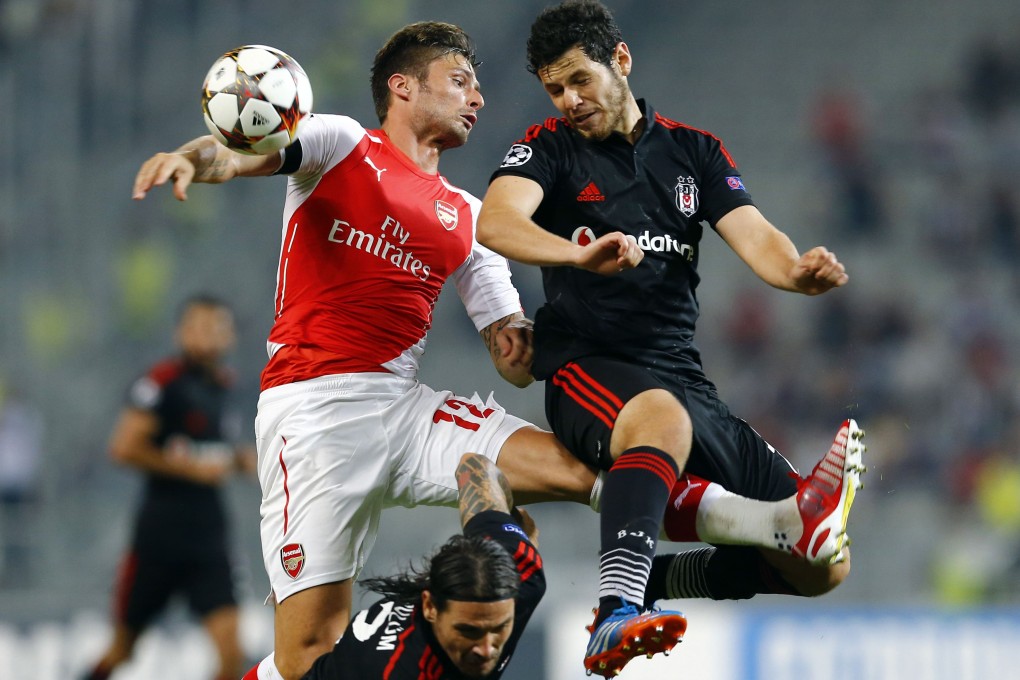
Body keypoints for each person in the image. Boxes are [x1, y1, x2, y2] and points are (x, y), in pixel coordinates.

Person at [133, 19, 863, 680]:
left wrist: (527, 339)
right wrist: (196, 159)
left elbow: (512, 356)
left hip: (403, 404)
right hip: (314, 414)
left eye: (479, 85)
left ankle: (774, 522)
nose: (478, 96)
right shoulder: (341, 143)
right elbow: (246, 152)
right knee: (305, 659)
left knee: (585, 469)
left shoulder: (468, 218)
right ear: (403, 87)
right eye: (460, 81)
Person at [477, 1, 865, 675]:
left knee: (821, 563)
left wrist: (796, 273)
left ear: (620, 61)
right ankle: (617, 610)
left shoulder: (694, 151)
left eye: (579, 80)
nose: (569, 100)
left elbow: (758, 238)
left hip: (681, 379)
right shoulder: (546, 147)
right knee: (662, 420)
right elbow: (496, 222)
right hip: (587, 370)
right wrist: (576, 257)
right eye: (555, 88)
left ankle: (655, 583)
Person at [82, 295, 254, 680]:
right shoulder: (161, 384)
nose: (211, 336)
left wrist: (243, 461)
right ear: (183, 332)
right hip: (158, 539)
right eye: (201, 327)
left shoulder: (226, 387)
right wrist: (192, 470)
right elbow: (124, 447)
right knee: (122, 650)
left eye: (219, 328)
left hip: (208, 539)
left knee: (231, 651)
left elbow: (216, 451)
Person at [295, 452, 546, 680]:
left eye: (500, 627)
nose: (486, 649)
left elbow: (473, 467)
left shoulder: (522, 569)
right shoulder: (402, 671)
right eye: (468, 631)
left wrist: (507, 517)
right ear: (430, 607)